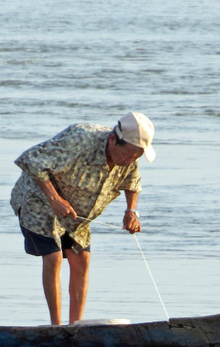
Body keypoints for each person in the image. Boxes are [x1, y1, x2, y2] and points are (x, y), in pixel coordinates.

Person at [10, 112, 156, 326]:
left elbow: (133, 183)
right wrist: (55, 199)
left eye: (138, 156)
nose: (132, 160)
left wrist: (131, 211)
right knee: (53, 257)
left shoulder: (129, 157)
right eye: (131, 154)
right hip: (39, 201)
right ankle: (56, 327)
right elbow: (30, 159)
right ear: (113, 140)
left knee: (82, 259)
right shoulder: (79, 139)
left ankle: (76, 327)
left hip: (77, 213)